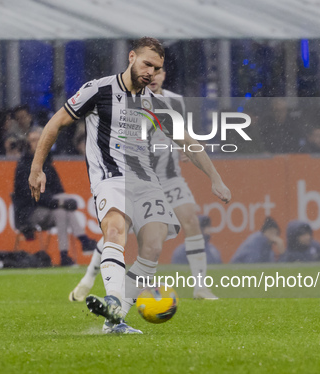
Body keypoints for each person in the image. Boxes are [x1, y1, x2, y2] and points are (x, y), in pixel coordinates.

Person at [29, 37, 231, 334]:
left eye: (157, 67)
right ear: (132, 57)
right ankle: (113, 298)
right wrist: (37, 168)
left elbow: (187, 141)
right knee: (115, 230)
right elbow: (56, 122)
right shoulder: (98, 90)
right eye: (147, 63)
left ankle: (115, 316)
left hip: (146, 180)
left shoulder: (154, 103)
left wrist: (216, 178)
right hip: (110, 177)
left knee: (153, 243)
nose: (151, 71)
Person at [69, 67, 220, 301]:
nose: (153, 77)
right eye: (149, 71)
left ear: (164, 76)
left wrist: (188, 147)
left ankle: (200, 286)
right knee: (118, 231)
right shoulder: (131, 101)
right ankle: (88, 280)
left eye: (158, 72)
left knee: (190, 218)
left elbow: (184, 134)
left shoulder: (176, 102)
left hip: (169, 176)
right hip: (138, 178)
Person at [14, 129, 97, 266]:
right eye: (32, 140)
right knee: (62, 208)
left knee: (61, 211)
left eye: (38, 139)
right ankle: (83, 241)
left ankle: (65, 256)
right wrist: (56, 201)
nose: (35, 143)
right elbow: (31, 194)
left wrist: (61, 201)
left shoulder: (47, 163)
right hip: (30, 212)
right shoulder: (24, 165)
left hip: (48, 209)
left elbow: (59, 190)